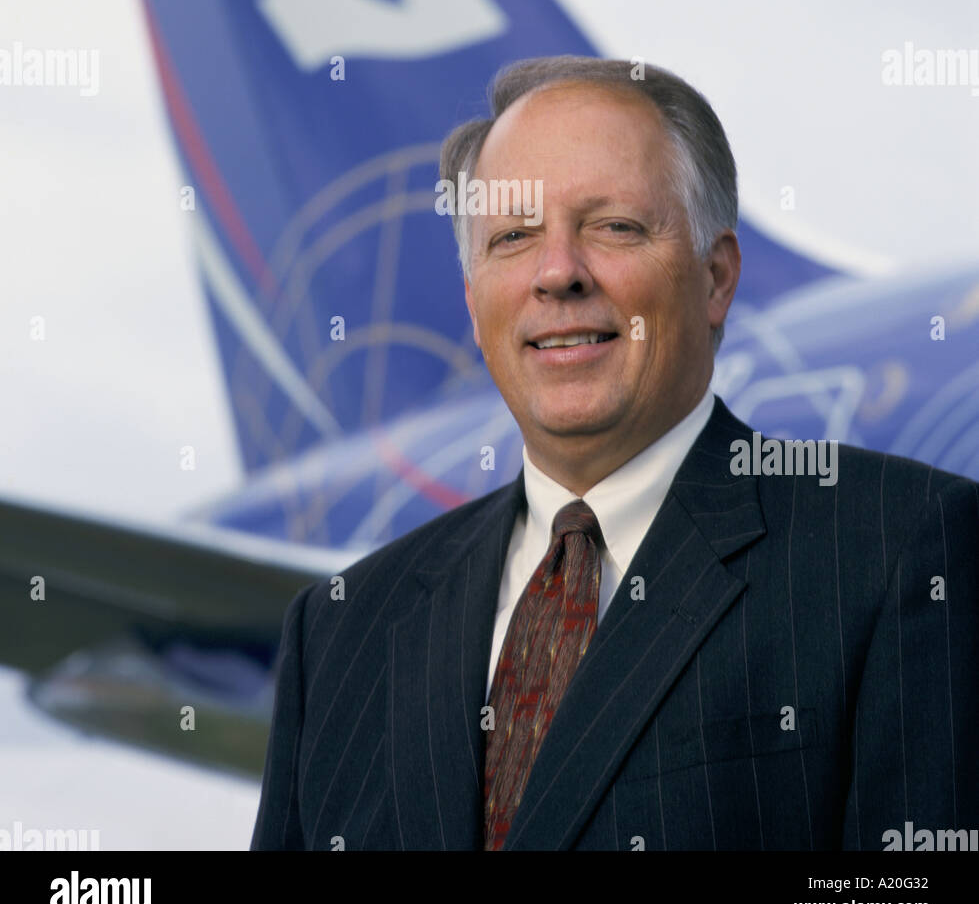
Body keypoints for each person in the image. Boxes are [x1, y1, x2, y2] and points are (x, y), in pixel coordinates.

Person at [251, 55, 979, 851]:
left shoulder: (898, 550)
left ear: (715, 278)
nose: (556, 272)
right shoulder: (336, 634)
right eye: (513, 237)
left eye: (614, 227)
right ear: (473, 300)